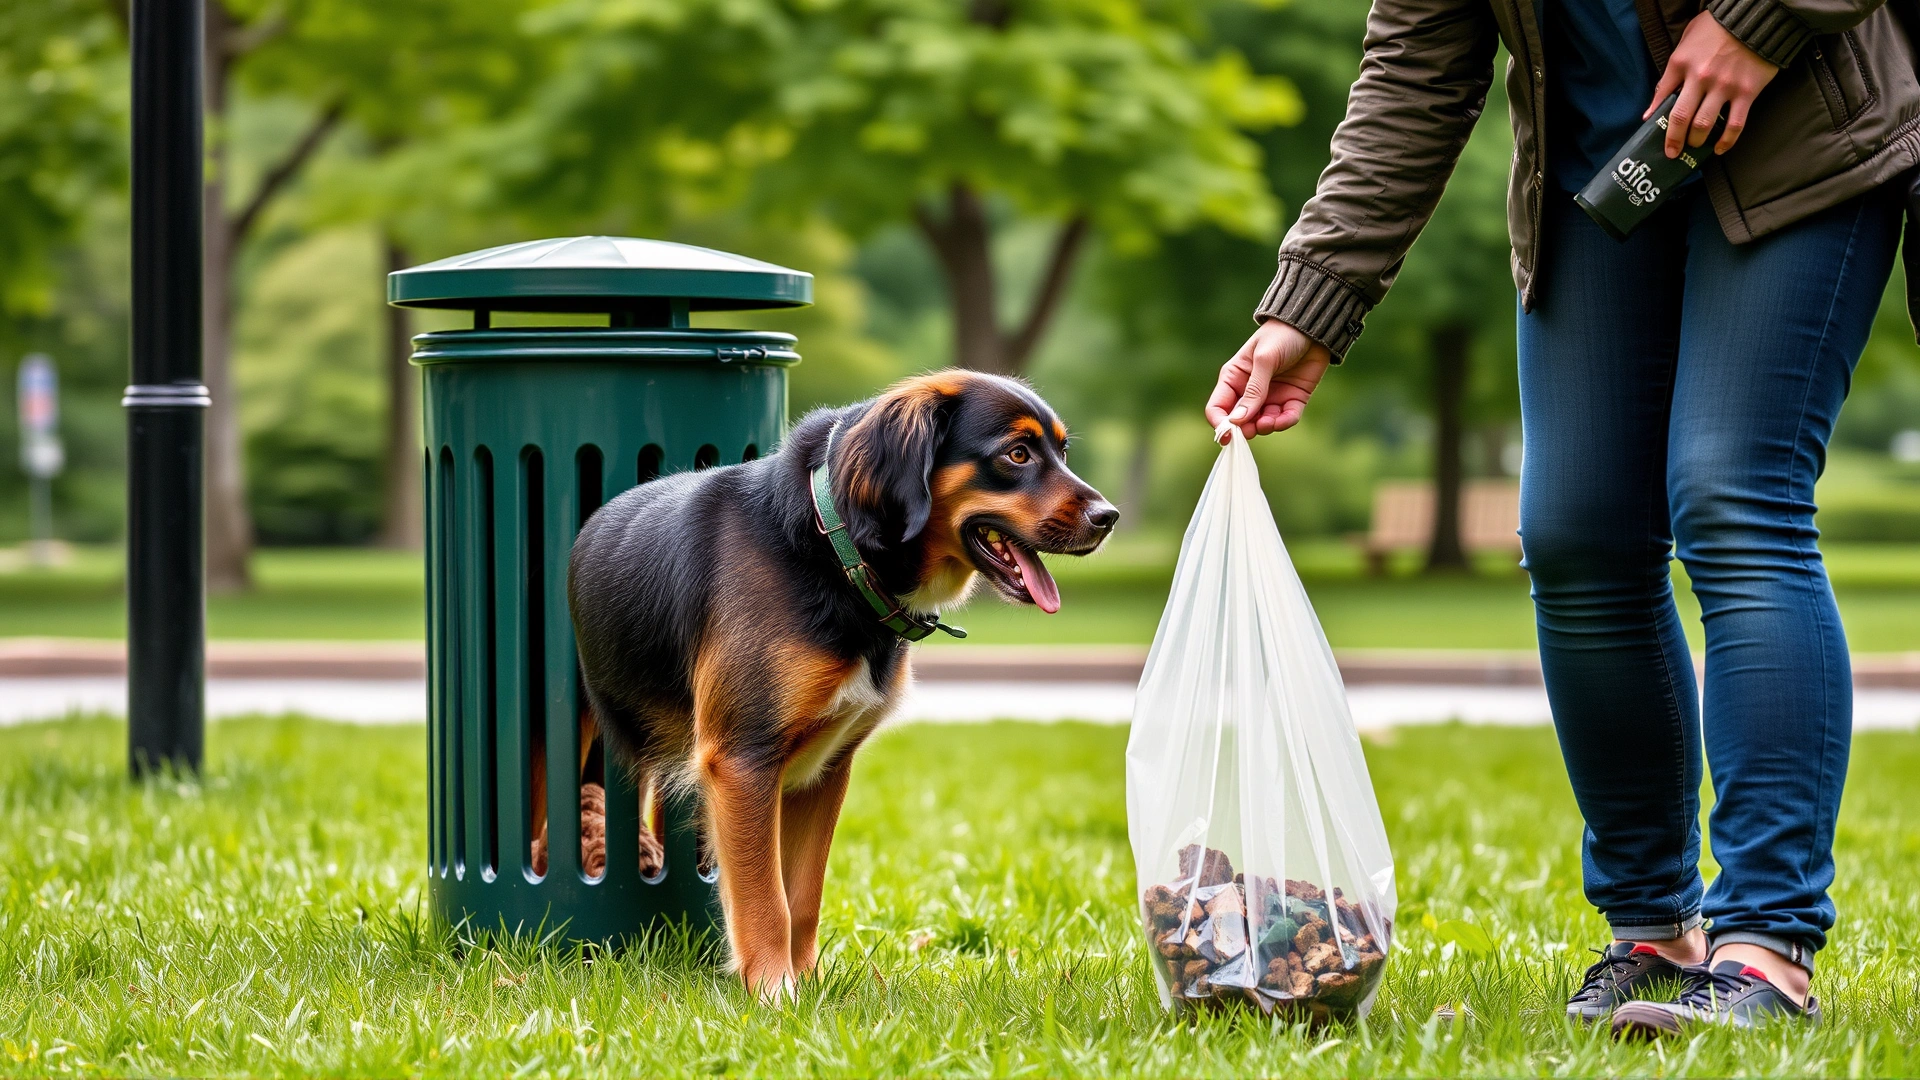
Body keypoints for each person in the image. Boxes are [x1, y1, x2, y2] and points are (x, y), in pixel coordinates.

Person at [1207, 0, 1920, 1034]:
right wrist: (1307, 304)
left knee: (1733, 492)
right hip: (1606, 171)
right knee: (1578, 533)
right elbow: (1414, 71)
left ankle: (1765, 946)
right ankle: (1652, 928)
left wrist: (1760, 23)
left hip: (1802, 126)